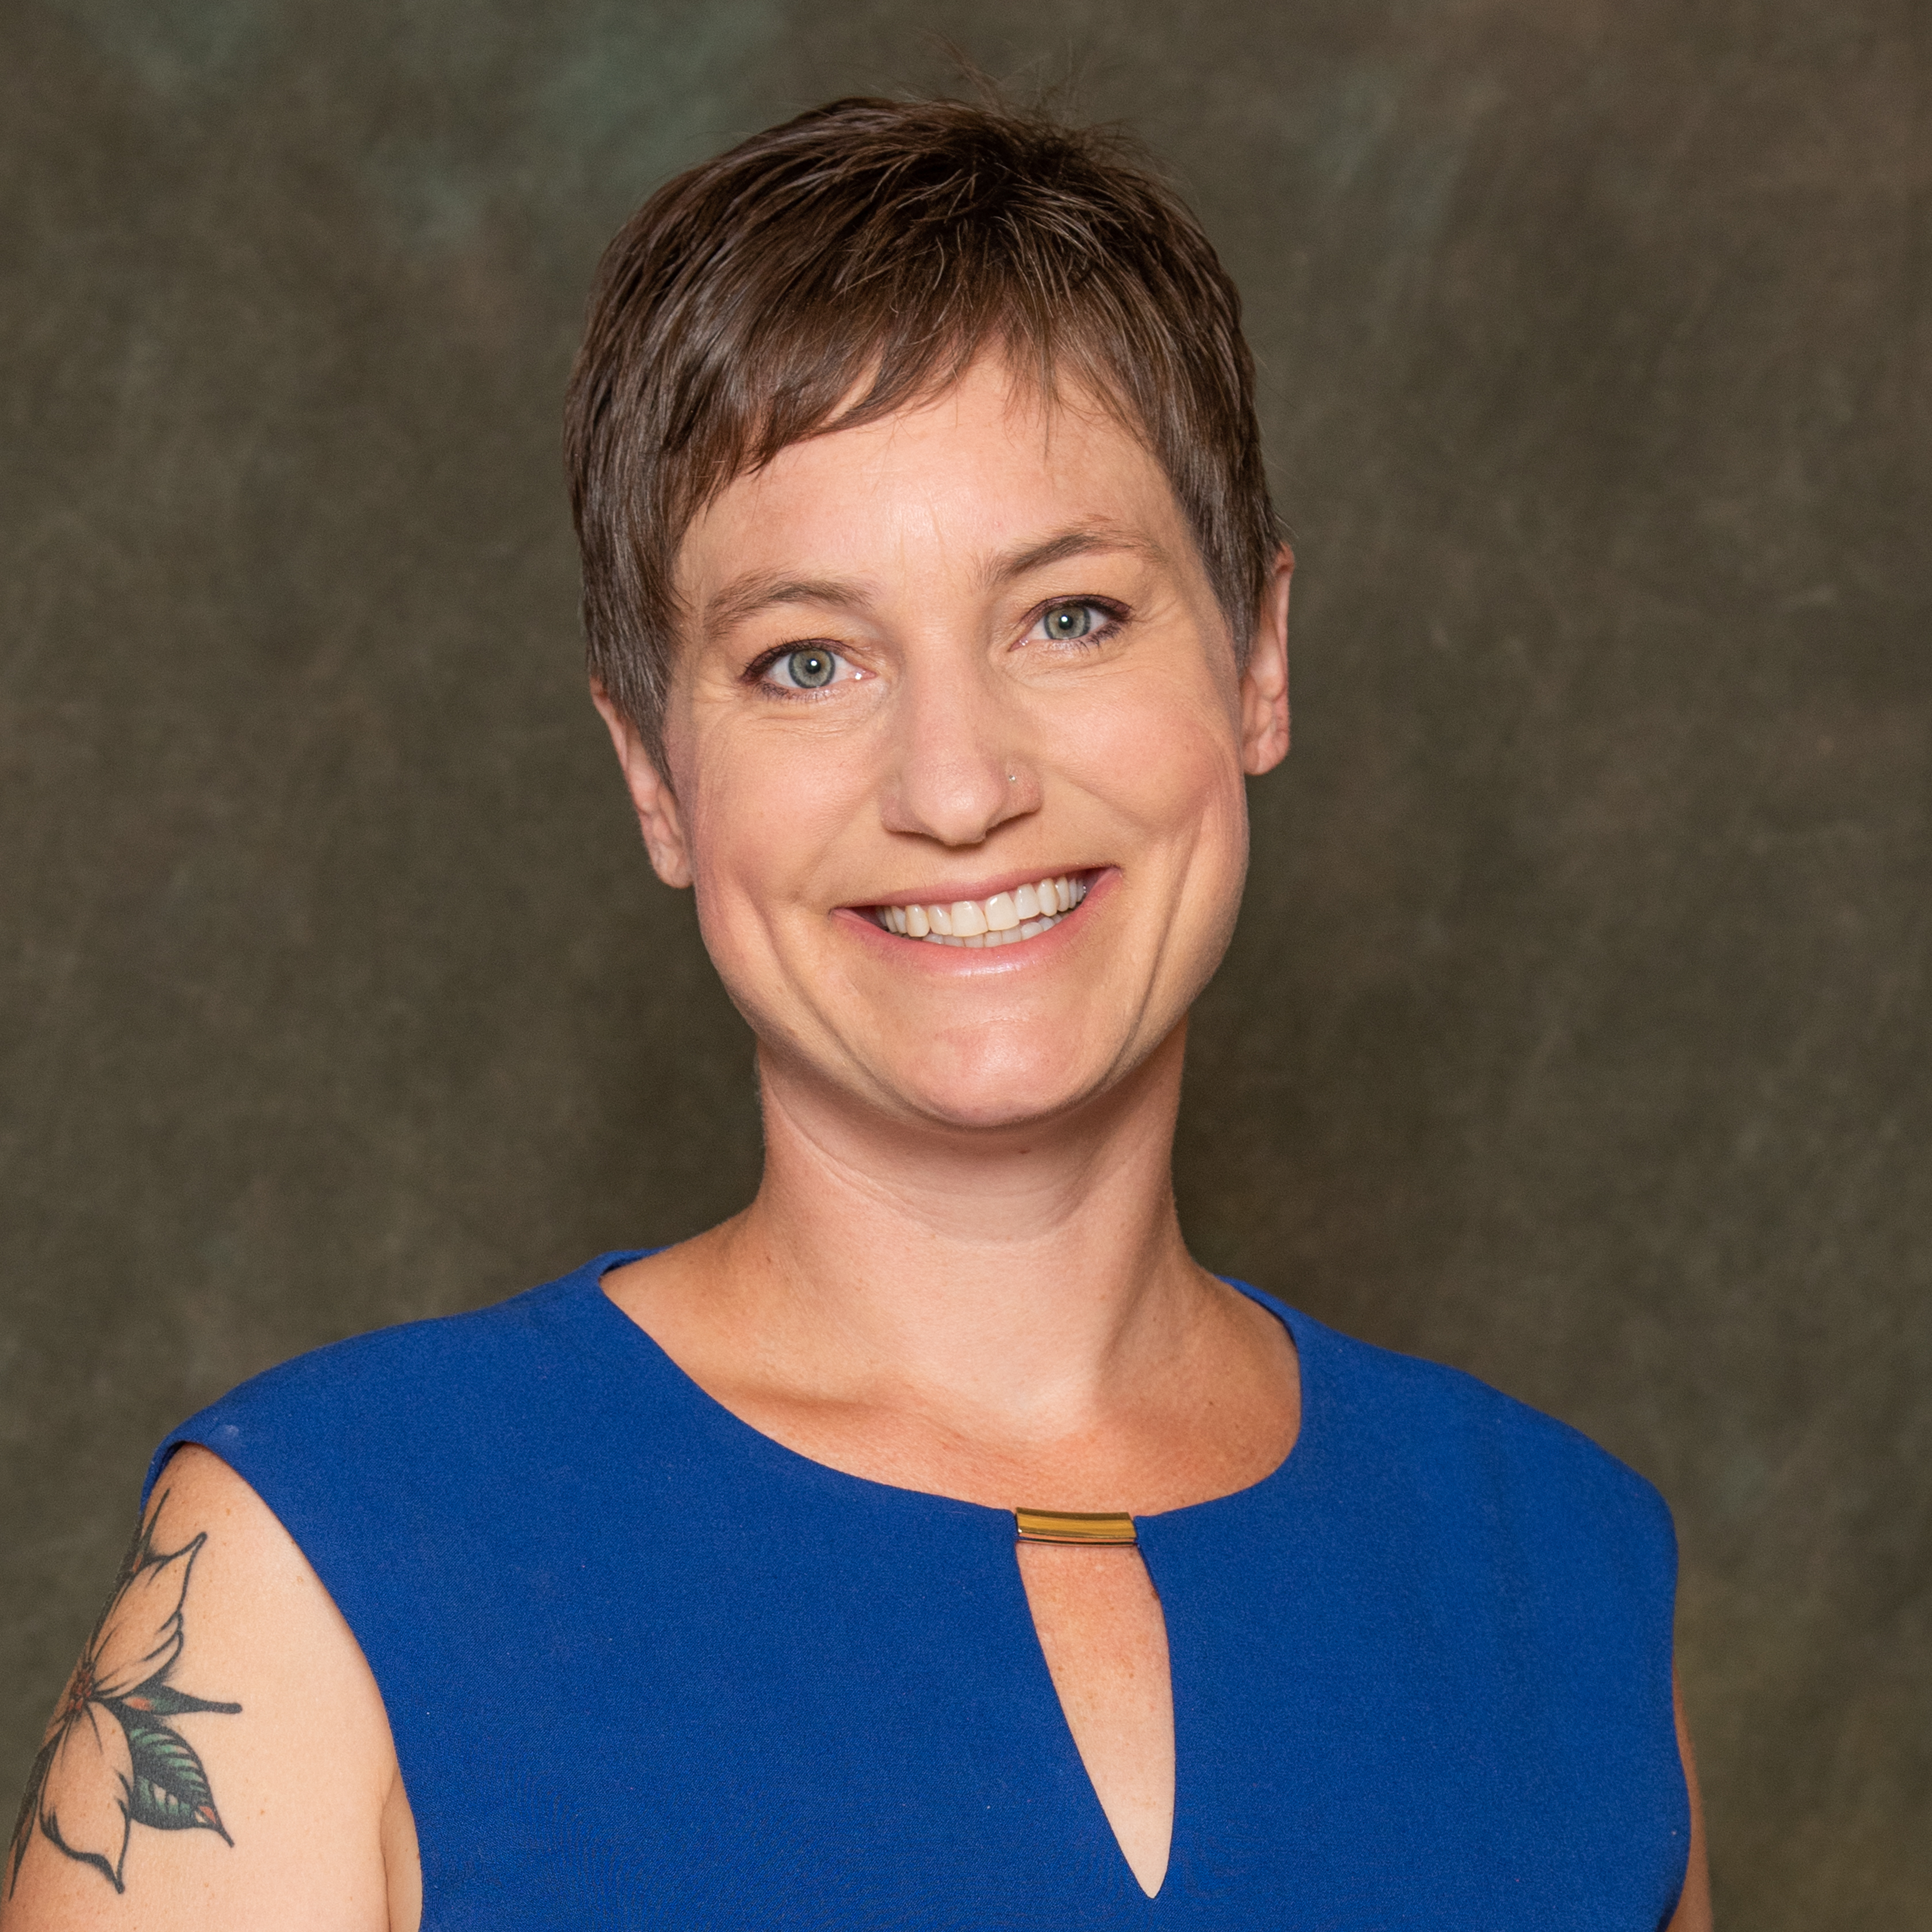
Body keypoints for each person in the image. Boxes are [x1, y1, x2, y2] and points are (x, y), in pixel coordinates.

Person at [2, 95, 1711, 1931]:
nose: (958, 786)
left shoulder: (1568, 1577)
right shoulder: (319, 1567)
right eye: (807, 660)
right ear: (656, 774)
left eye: (1068, 615)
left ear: (1259, 661)